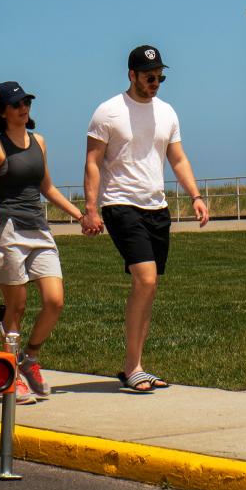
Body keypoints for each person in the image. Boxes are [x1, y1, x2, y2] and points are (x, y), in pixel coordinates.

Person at [81, 45, 209, 394]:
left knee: (148, 288)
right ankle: (133, 366)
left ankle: (133, 366)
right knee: (146, 279)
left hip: (157, 208)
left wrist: (195, 196)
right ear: (132, 75)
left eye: (160, 77)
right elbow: (93, 161)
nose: (155, 82)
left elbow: (177, 158)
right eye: (149, 76)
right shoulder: (108, 112)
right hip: (120, 204)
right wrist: (91, 208)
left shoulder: (167, 113)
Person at [0, 80, 86, 402]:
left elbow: (47, 188)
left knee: (55, 300)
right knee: (18, 305)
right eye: (16, 105)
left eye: (26, 102)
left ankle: (30, 358)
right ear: (2, 112)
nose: (24, 108)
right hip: (8, 230)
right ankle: (11, 375)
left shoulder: (39, 141)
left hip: (38, 227)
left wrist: (80, 215)